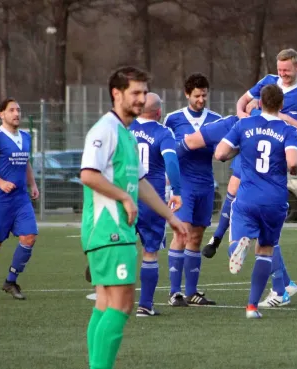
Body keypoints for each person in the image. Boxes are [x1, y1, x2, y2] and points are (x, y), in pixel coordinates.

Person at [81, 66, 188, 369]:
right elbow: (88, 174)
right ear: (117, 94)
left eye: (144, 92)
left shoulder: (126, 134)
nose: (141, 99)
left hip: (118, 229)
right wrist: (124, 198)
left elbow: (141, 183)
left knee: (105, 304)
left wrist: (171, 217)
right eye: (135, 93)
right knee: (123, 305)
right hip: (108, 229)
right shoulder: (105, 130)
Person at [214, 84, 297, 319]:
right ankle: (252, 307)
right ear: (281, 105)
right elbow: (292, 162)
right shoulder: (288, 130)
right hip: (275, 200)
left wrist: (240, 149)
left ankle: (238, 247)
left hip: (247, 197)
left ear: (260, 103)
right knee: (265, 251)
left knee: (237, 240)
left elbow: (220, 153)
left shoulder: (243, 125)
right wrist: (292, 168)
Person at [162, 73, 222, 306]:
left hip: (206, 184)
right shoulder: (173, 119)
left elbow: (222, 150)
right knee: (181, 233)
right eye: (197, 95)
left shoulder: (216, 119)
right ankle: (174, 292)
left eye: (204, 95)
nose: (201, 99)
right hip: (183, 186)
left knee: (196, 237)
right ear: (187, 94)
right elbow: (166, 149)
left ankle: (192, 292)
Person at [0, 98, 39, 301]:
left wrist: (33, 184)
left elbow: (26, 163)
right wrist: (1, 182)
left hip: (20, 199)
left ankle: (11, 281)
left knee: (29, 236)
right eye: (11, 110)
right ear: (1, 114)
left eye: (19, 110)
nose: (16, 113)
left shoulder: (26, 137)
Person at [128, 92, 183, 317]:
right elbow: (171, 161)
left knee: (122, 245)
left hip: (125, 197)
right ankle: (145, 305)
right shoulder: (163, 132)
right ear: (159, 112)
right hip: (152, 200)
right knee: (150, 252)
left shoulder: (126, 129)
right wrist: (177, 192)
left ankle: (109, 288)